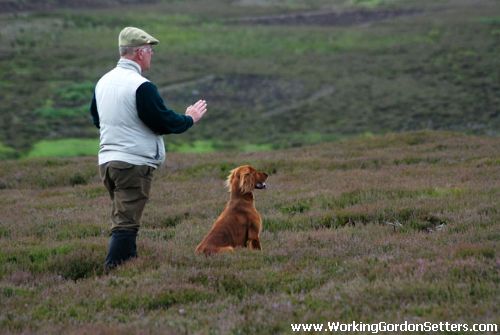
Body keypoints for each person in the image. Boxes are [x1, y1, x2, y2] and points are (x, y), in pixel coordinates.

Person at [90, 27, 207, 271]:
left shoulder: (103, 82)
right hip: (132, 164)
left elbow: (97, 119)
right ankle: (114, 273)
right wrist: (189, 118)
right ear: (140, 53)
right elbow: (162, 121)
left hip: (107, 163)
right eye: (150, 51)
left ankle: (129, 270)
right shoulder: (141, 86)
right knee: (126, 223)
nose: (152, 55)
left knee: (125, 218)